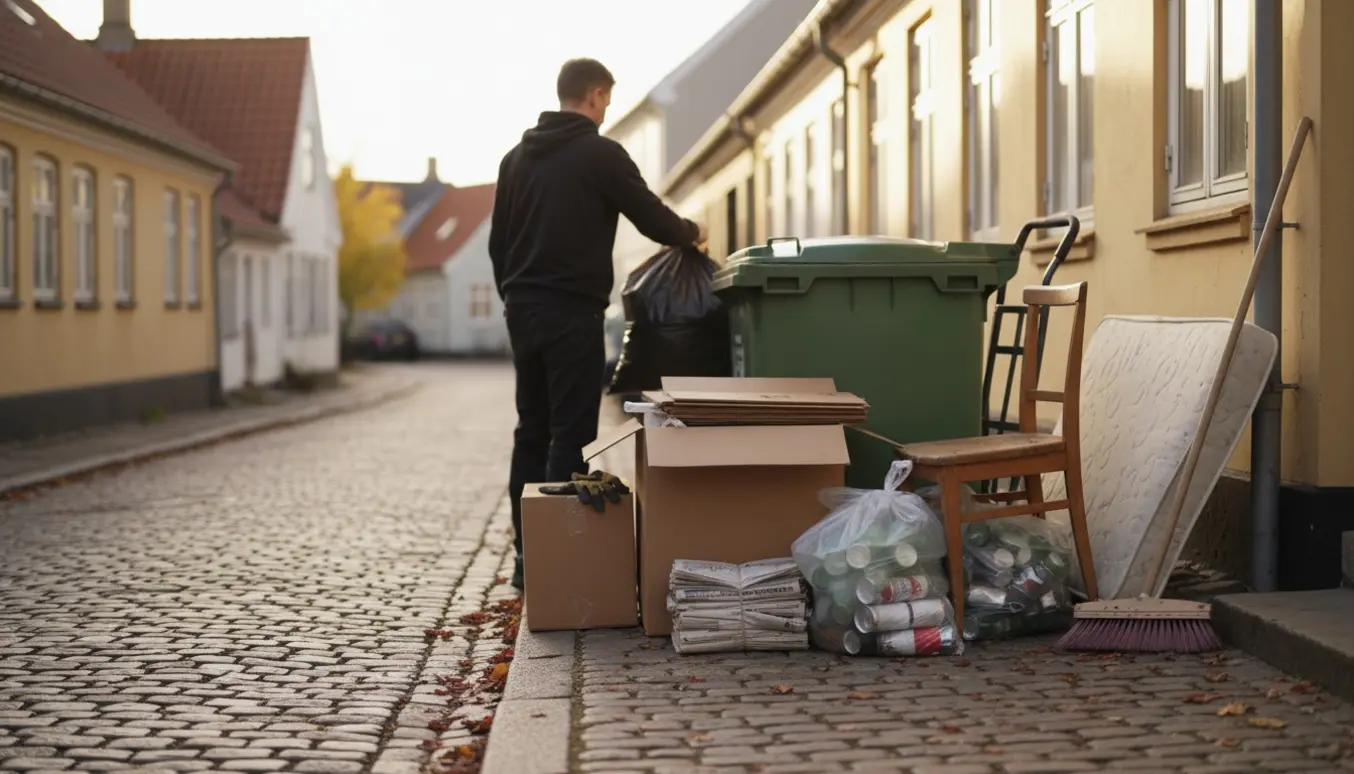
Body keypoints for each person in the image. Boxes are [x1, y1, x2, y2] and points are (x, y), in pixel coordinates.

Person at [489, 58, 706, 591]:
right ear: (595, 94)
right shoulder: (600, 154)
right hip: (571, 312)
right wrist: (690, 232)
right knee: (570, 432)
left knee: (530, 430)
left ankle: (525, 555)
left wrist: (515, 296)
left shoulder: (515, 160)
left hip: (523, 311)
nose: (606, 110)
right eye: (606, 100)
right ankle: (555, 557)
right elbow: (649, 215)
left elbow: (498, 243)